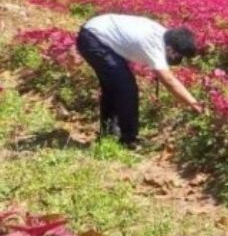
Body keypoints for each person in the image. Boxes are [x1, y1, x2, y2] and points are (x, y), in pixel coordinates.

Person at [75, 13, 202, 148]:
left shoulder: (165, 37)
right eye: (178, 55)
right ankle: (128, 139)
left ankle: (109, 135)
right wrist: (194, 104)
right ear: (170, 49)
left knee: (113, 88)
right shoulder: (154, 45)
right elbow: (169, 81)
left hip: (96, 33)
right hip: (94, 38)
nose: (178, 60)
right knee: (126, 89)